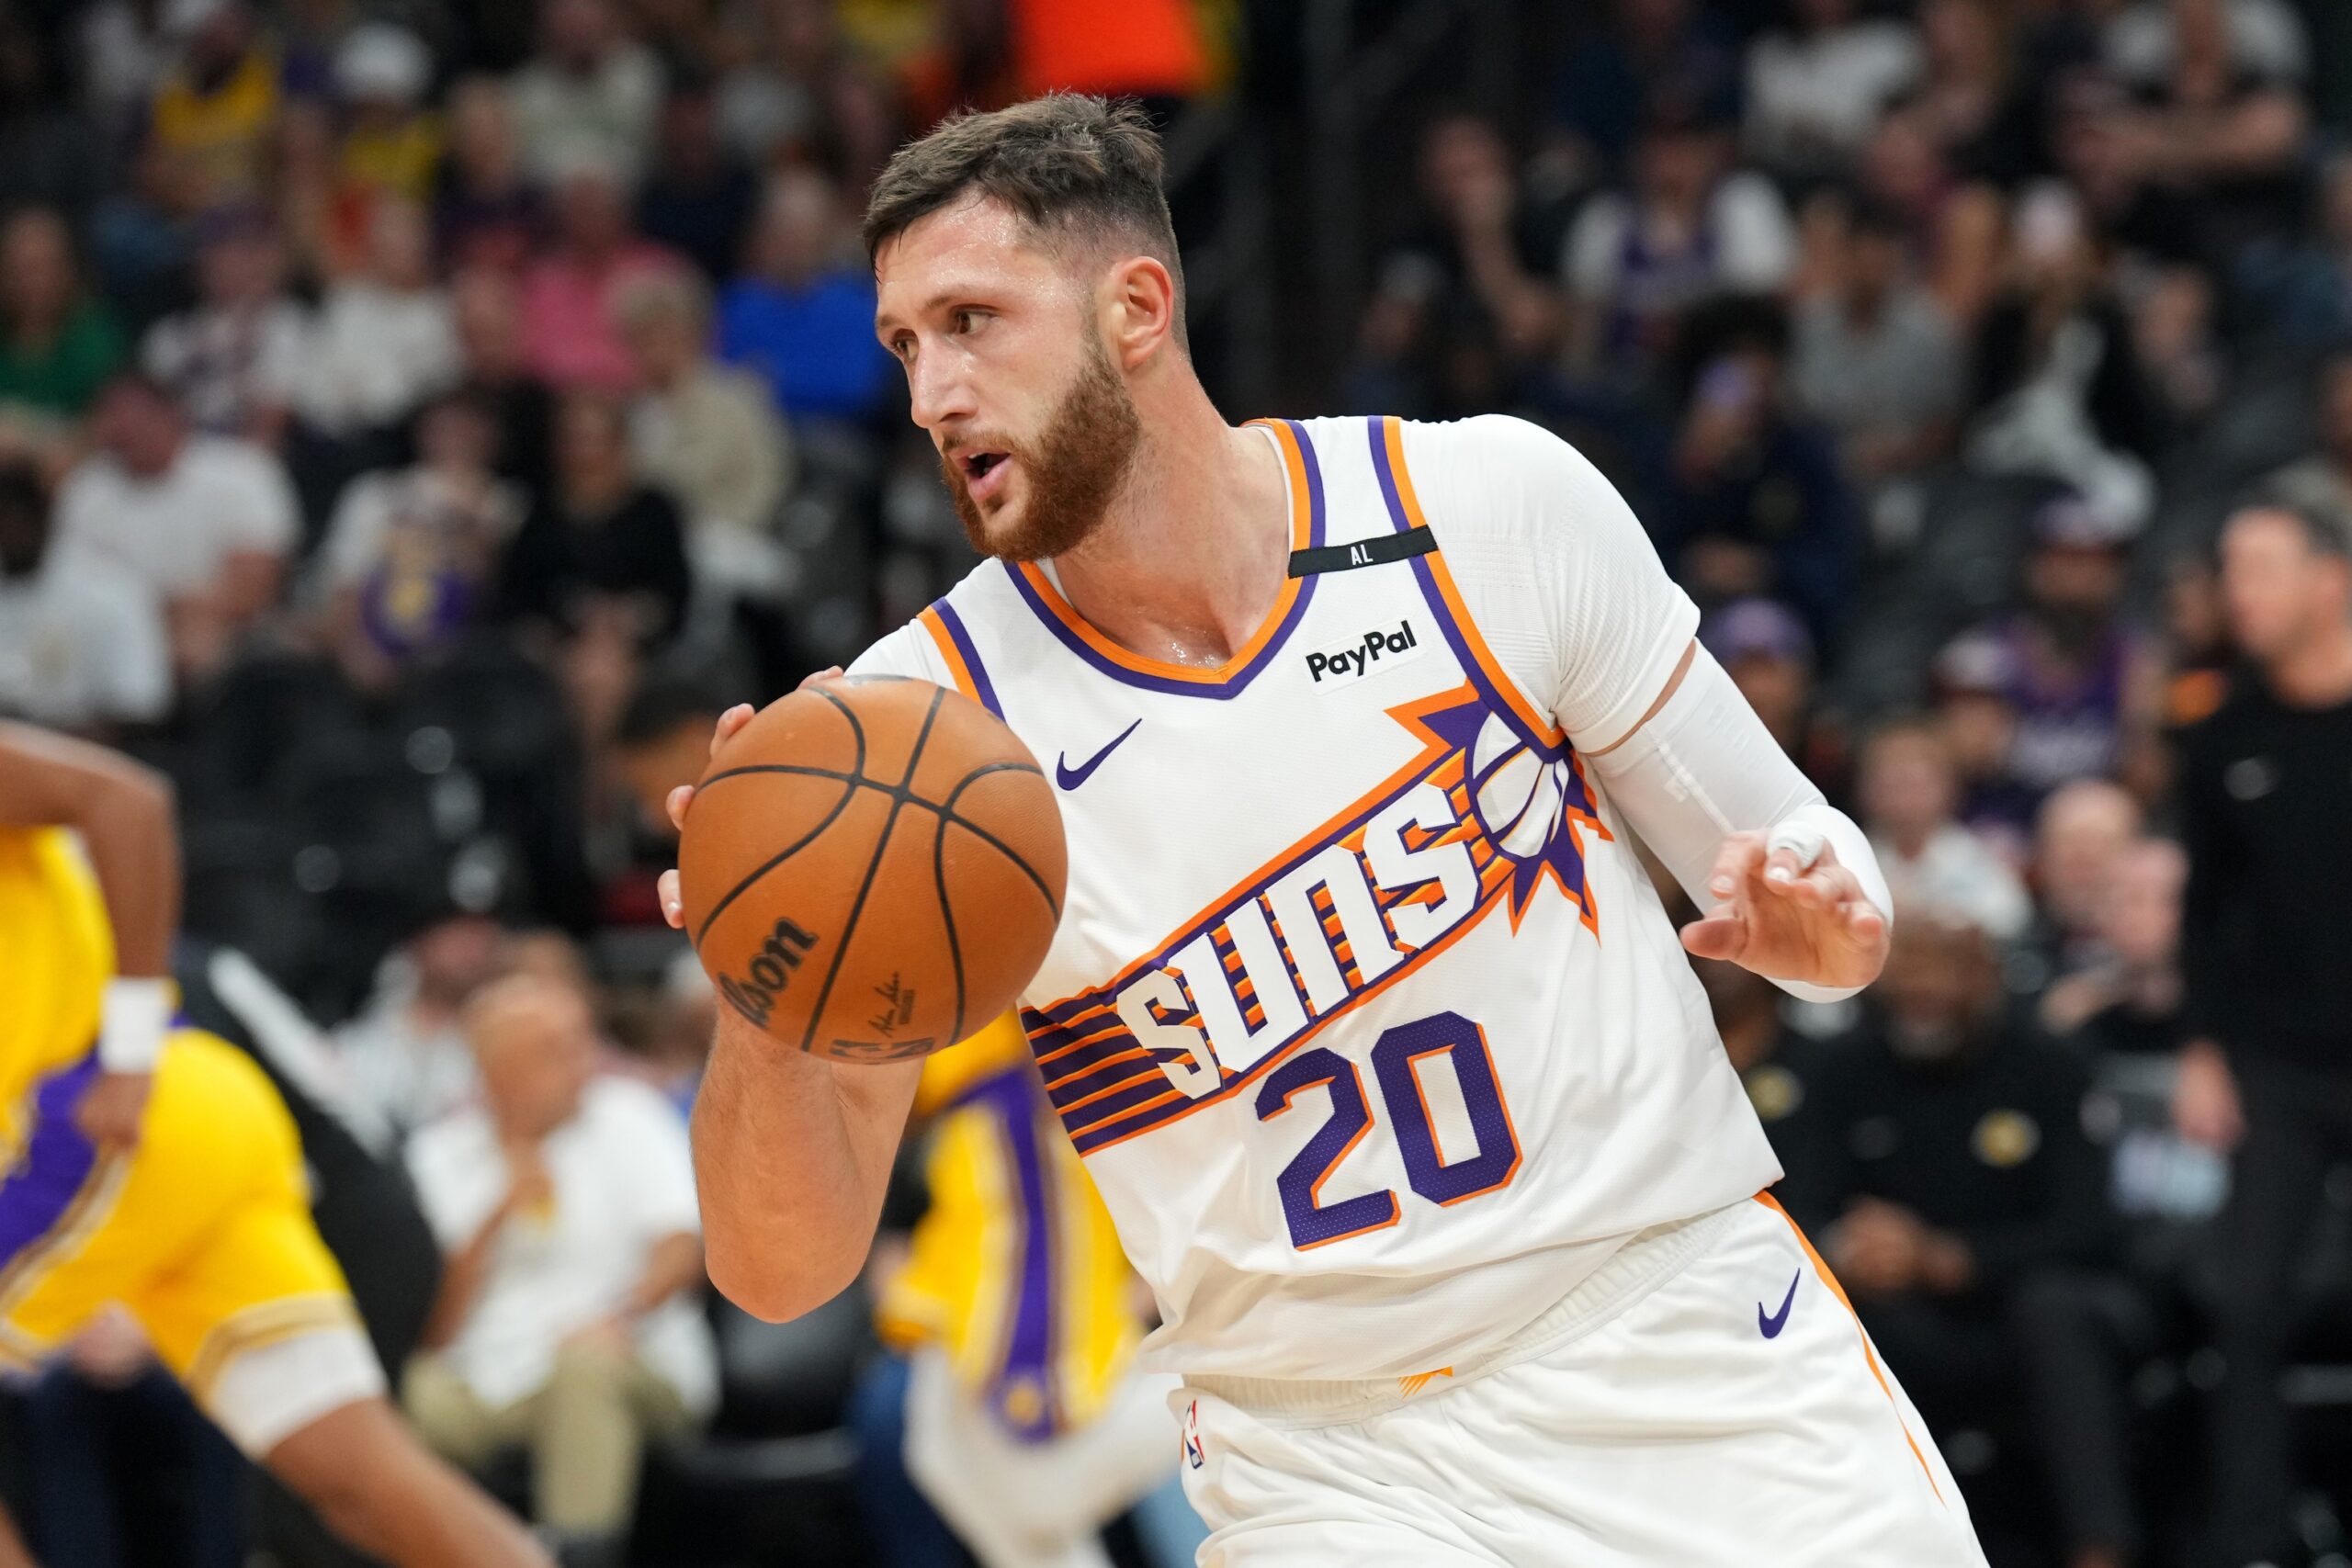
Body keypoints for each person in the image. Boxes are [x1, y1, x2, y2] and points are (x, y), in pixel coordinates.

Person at [662, 95, 1986, 1565]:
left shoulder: (1482, 508)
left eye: (972, 320)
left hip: (1685, 1333)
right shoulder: (917, 735)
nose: (931, 395)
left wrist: (1830, 926)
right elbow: (781, 1271)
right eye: (907, 345)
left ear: (1139, 306)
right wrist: (764, 975)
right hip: (1333, 1460)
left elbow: (1810, 863)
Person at [0, 722, 550, 1567]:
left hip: (96, 1122)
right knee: (364, 1480)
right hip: (205, 1124)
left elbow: (127, 799)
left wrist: (130, 1046)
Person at [2169, 500, 2352, 1568]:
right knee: (2242, 1304)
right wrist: (2200, 1050)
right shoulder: (2223, 733)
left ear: (2330, 579)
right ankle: (2250, 1541)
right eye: (2231, 570)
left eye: (2263, 569)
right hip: (2274, 1065)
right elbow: (2205, 910)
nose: (2240, 593)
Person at [403, 975, 714, 1568]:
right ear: (497, 1073)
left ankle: (579, 1553)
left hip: (627, 1357)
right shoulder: (438, 1153)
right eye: (554, 1047)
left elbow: (680, 1248)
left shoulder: (629, 1115)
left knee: (583, 1369)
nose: (585, 1059)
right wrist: (495, 1214)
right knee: (396, 1392)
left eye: (582, 1038)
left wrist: (619, 1317)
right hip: (487, 1371)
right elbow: (434, 1327)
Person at [877, 1015, 1205, 1568]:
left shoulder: (1087, 1059)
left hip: (1103, 1280)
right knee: (922, 1447)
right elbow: (885, 1134)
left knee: (1204, 1413)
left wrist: (1153, 1291)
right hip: (965, 1290)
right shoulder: (955, 1088)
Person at [1772, 911, 2114, 1440]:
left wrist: (1955, 1259)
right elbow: (1798, 1203)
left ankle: (2100, 1526)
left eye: (1946, 966)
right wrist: (1848, 1247)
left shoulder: (2051, 1066)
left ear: (1987, 975)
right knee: (1830, 1307)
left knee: (2052, 1309)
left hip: (2015, 1296)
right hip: (1892, 1299)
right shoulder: (1840, 1069)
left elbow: (2090, 1226)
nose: (1923, 986)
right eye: (1907, 965)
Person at [51, 372, 299, 686]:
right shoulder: (87, 490)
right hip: (115, 632)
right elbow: (68, 587)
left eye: (136, 414)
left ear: (172, 415)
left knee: (200, 638)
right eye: (112, 414)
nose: (124, 426)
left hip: (225, 634)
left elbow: (252, 589)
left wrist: (162, 616)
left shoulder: (241, 471)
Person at [0, 457, 170, 733]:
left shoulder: (110, 589)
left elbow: (138, 708)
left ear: (44, 513)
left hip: (80, 755)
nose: (9, 530)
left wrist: (44, 737)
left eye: (16, 514)